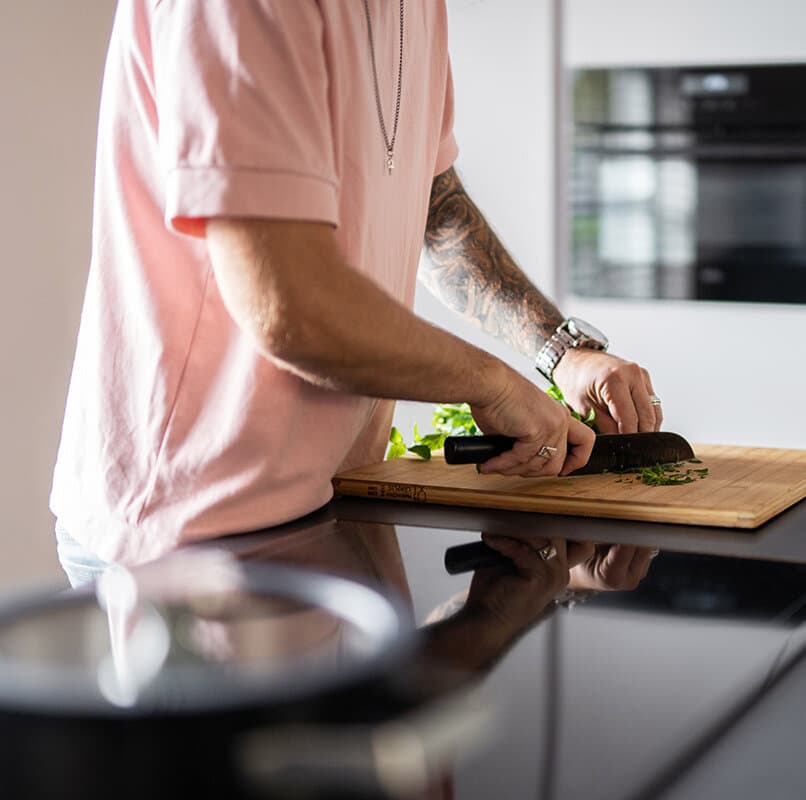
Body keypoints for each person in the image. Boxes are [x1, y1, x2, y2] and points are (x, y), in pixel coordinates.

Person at [50, 1, 662, 587]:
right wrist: (494, 385)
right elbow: (291, 306)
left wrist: (561, 350)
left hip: (329, 501)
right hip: (189, 526)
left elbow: (436, 207)